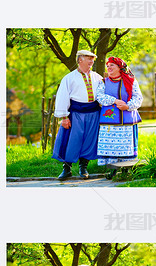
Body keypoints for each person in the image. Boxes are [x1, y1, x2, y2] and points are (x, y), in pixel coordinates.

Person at [52, 50, 103, 180]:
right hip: (76, 114)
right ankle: (67, 169)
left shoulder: (98, 77)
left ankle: (83, 168)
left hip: (93, 113)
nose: (92, 61)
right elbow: (62, 97)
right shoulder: (69, 78)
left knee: (89, 140)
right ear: (80, 60)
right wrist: (64, 117)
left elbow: (103, 95)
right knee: (72, 141)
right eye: (89, 58)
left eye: (93, 59)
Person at [96, 57, 143, 169]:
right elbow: (100, 97)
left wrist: (127, 106)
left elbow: (138, 97)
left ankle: (127, 169)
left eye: (112, 65)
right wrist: (115, 100)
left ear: (120, 67)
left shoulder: (131, 82)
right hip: (109, 121)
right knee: (110, 146)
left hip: (127, 120)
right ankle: (110, 169)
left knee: (126, 146)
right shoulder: (103, 82)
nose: (109, 67)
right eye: (107, 66)